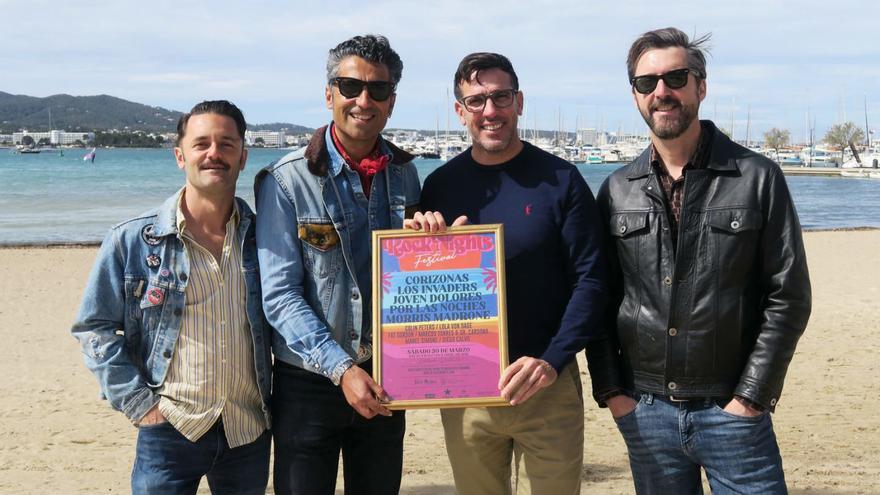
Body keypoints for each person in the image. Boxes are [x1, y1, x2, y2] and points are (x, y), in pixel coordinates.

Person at [586, 27, 812, 494]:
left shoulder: (756, 178)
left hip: (731, 410)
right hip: (645, 412)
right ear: (635, 96)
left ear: (701, 87)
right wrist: (613, 392)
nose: (662, 92)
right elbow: (600, 298)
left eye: (676, 77)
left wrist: (750, 397)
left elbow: (787, 296)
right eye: (647, 83)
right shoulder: (618, 189)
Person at [407, 52, 607, 495]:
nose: (490, 111)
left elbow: (592, 280)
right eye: (476, 101)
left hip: (546, 383)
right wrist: (421, 246)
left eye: (500, 97)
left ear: (519, 101)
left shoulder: (562, 180)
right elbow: (420, 289)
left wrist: (552, 361)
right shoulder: (439, 184)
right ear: (460, 112)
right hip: (466, 389)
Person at [71, 100, 272, 494]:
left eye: (226, 144)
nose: (214, 153)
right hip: (170, 427)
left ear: (243, 156)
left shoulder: (264, 238)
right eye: (202, 144)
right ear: (181, 156)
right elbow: (93, 328)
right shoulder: (131, 239)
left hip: (247, 429)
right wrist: (139, 405)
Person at [254, 34, 420, 495]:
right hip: (308, 382)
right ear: (329, 94)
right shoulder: (285, 180)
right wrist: (342, 369)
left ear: (391, 101)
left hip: (387, 378)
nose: (363, 100)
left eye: (378, 90)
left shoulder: (405, 174)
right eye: (350, 87)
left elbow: (414, 276)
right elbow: (280, 295)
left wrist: (434, 239)